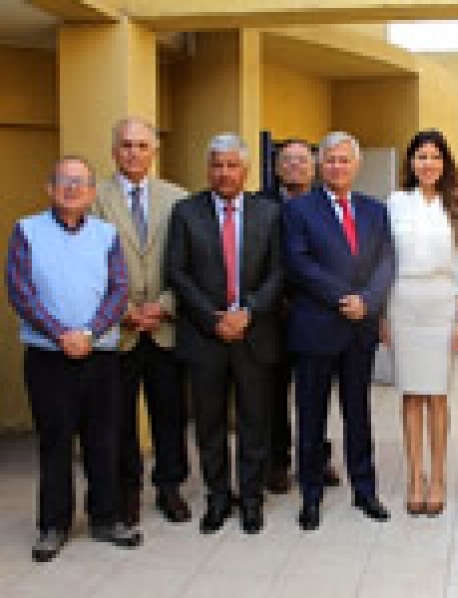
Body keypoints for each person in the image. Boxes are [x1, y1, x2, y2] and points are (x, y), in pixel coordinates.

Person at [6, 156, 142, 562]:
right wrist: (61, 335)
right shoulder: (26, 230)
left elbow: (119, 289)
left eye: (80, 182)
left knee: (105, 440)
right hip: (48, 356)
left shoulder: (106, 234)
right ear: (50, 188)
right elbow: (20, 291)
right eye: (64, 181)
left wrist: (88, 333)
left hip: (100, 354)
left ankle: (106, 518)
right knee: (55, 441)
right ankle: (53, 525)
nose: (71, 188)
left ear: (91, 191)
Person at [166, 133, 283, 535]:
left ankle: (251, 499)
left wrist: (248, 312)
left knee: (254, 423)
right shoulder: (186, 212)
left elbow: (279, 272)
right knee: (210, 425)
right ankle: (218, 498)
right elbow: (177, 272)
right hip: (205, 337)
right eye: (217, 165)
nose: (224, 173)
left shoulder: (269, 213)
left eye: (232, 165)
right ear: (208, 169)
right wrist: (212, 317)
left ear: (245, 170)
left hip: (254, 335)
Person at [282, 131, 395, 531]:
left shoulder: (375, 210)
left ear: (356, 165)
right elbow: (299, 263)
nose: (337, 166)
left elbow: (386, 261)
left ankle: (365, 490)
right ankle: (310, 496)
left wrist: (369, 300)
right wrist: (344, 297)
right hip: (316, 327)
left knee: (358, 414)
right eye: (330, 159)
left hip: (359, 329)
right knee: (310, 417)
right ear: (319, 164)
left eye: (344, 159)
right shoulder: (298, 210)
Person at [93, 117, 191, 527]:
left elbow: (191, 264)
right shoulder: (94, 198)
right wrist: (123, 311)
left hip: (165, 328)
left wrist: (164, 306)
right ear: (114, 150)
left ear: (154, 150)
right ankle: (127, 492)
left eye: (141, 145)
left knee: (170, 414)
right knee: (118, 419)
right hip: (119, 331)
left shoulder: (178, 199)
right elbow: (88, 265)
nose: (133, 152)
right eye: (126, 145)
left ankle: (169, 487)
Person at [382, 129, 458, 516]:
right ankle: (414, 477)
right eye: (421, 156)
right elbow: (385, 260)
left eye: (435, 156)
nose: (428, 163)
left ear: (444, 162)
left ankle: (437, 478)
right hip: (403, 302)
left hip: (442, 304)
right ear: (411, 162)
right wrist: (383, 316)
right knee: (411, 394)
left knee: (437, 395)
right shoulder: (396, 203)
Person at [266, 139, 340, 494]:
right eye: (288, 160)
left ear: (314, 168)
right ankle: (277, 462)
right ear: (277, 167)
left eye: (302, 160)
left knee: (315, 393)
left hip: (316, 313)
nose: (295, 165)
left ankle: (316, 459)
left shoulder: (329, 204)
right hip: (272, 315)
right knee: (273, 393)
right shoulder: (261, 205)